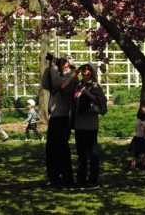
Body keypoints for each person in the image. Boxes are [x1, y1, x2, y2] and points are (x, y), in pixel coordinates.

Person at [41, 53, 76, 189]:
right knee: (51, 148)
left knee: (62, 148)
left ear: (67, 64)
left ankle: (67, 178)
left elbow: (57, 83)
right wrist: (50, 66)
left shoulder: (72, 77)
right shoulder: (58, 74)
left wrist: (54, 68)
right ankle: (53, 176)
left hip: (63, 116)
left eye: (62, 62)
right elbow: (46, 84)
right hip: (55, 116)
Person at [71, 62, 107, 190]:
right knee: (81, 154)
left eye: (86, 69)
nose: (84, 71)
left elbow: (102, 103)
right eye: (83, 70)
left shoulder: (95, 86)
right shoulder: (79, 85)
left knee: (92, 152)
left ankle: (93, 180)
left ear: (91, 72)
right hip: (79, 123)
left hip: (90, 124)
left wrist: (89, 94)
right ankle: (81, 179)